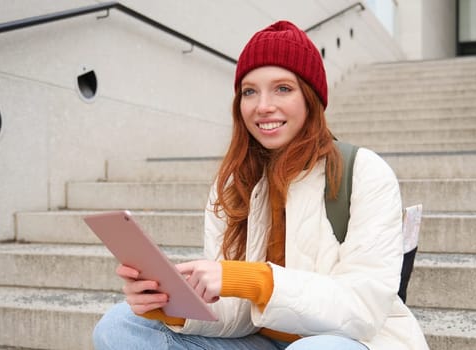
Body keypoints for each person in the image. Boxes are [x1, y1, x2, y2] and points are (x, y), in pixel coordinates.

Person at [93, 20, 429, 350]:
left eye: (283, 88)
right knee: (121, 326)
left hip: (355, 341)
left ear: (311, 98)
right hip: (261, 340)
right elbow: (238, 315)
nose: (263, 106)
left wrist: (257, 280)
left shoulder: (364, 171)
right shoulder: (233, 184)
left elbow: (362, 310)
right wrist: (172, 305)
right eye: (249, 91)